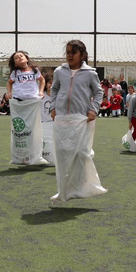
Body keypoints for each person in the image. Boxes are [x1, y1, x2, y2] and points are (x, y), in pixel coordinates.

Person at [49, 40, 106, 200]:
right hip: (61, 118)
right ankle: (63, 191)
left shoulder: (90, 73)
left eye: (73, 52)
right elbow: (54, 89)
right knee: (61, 154)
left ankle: (85, 187)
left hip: (82, 118)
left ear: (82, 55)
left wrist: (93, 110)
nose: (69, 55)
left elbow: (98, 92)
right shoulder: (60, 71)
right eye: (67, 52)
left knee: (81, 153)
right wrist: (53, 108)